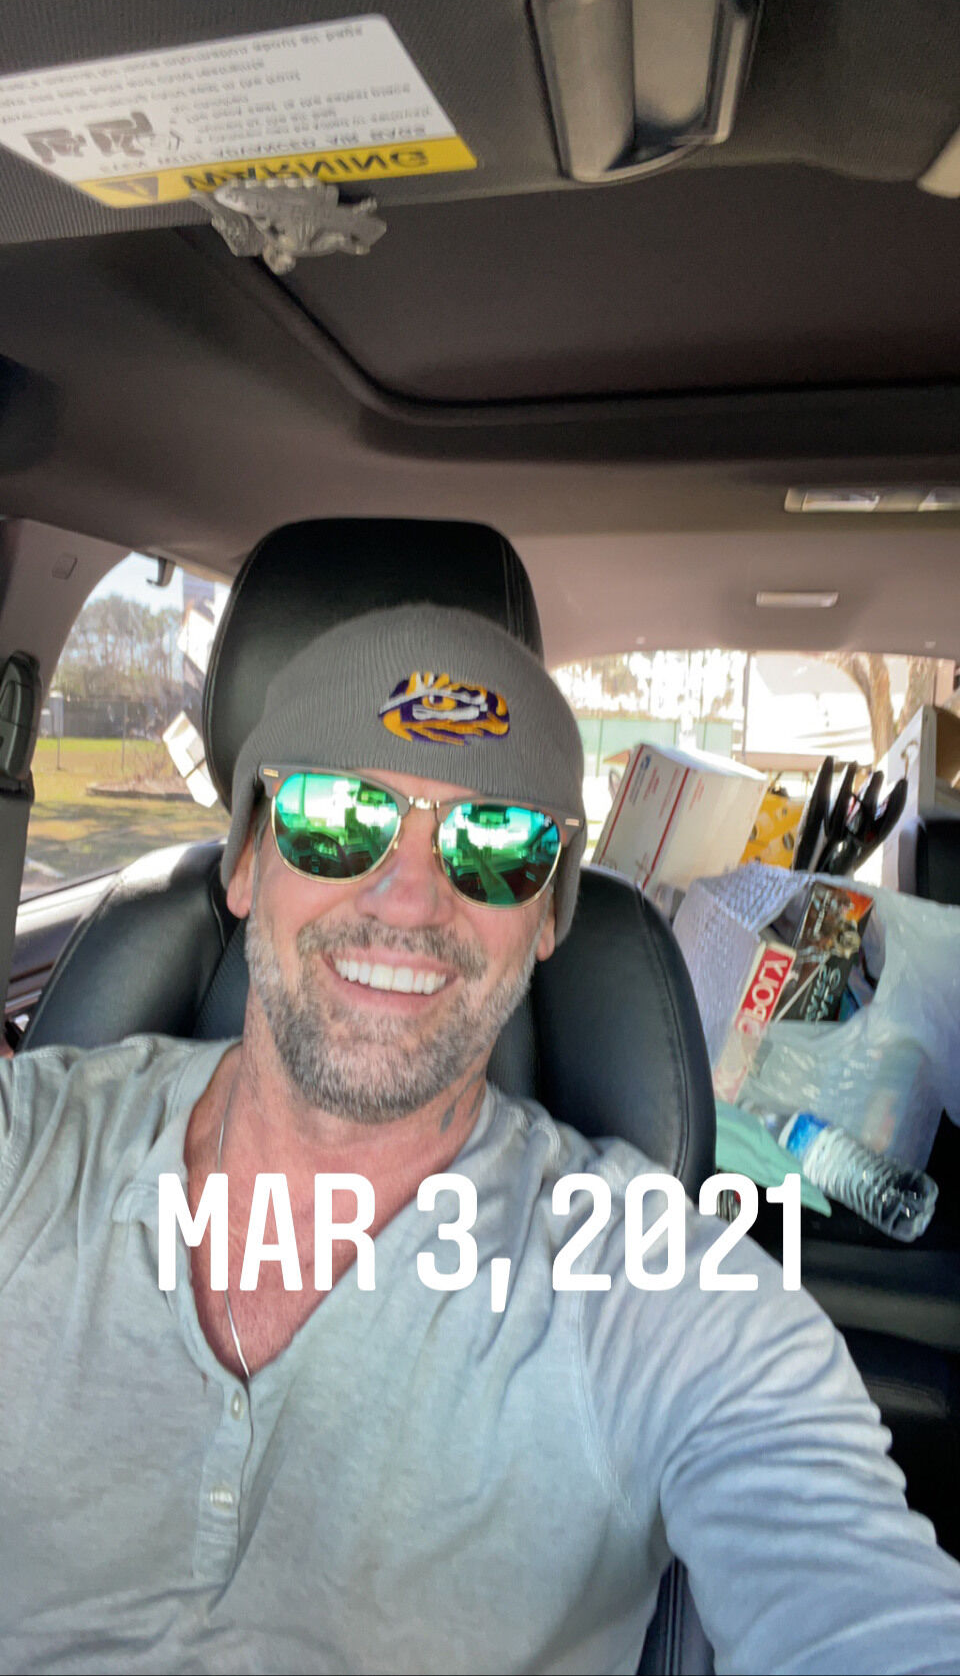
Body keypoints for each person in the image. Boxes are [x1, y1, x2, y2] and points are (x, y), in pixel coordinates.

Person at [1, 603, 959, 1676]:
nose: (409, 899)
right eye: (334, 813)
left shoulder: (658, 1295)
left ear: (546, 917)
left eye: (496, 841)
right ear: (245, 863)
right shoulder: (31, 1144)